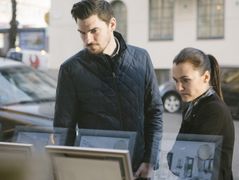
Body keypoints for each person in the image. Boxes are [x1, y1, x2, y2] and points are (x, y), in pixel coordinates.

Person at [53, 0, 163, 178]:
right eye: (82, 33)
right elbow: (64, 128)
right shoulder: (70, 70)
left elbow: (154, 112)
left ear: (112, 24)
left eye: (93, 31)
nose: (87, 40)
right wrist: (67, 170)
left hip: (138, 169)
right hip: (95, 170)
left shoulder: (141, 58)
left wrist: (150, 159)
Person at [170, 47, 235, 180]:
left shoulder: (214, 110)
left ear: (206, 77)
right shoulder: (193, 105)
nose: (179, 88)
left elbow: (183, 161)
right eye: (176, 80)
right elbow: (175, 160)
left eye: (185, 80)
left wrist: (177, 156)